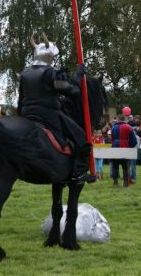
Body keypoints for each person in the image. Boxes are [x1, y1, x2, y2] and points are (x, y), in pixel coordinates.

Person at [17, 36, 94, 184]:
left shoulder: (25, 73)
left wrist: (21, 115)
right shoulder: (50, 73)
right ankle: (78, 172)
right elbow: (72, 91)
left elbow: (20, 99)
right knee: (80, 136)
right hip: (48, 114)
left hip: (27, 114)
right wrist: (78, 75)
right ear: (49, 57)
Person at [111, 114, 136, 187]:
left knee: (115, 165)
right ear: (123, 119)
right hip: (125, 146)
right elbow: (134, 141)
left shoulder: (113, 128)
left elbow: (112, 139)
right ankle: (125, 182)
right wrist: (129, 146)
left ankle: (115, 183)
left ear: (118, 119)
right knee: (125, 166)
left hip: (115, 146)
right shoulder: (129, 127)